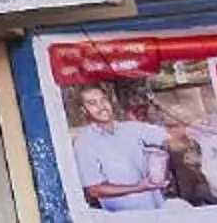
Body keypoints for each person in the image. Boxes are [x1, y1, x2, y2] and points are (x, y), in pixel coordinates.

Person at [64, 84, 171, 213]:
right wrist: (139, 187)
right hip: (125, 217)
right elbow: (94, 189)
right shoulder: (84, 143)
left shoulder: (130, 128)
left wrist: (191, 128)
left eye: (103, 100)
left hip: (158, 209)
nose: (101, 107)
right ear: (83, 110)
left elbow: (168, 135)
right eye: (92, 103)